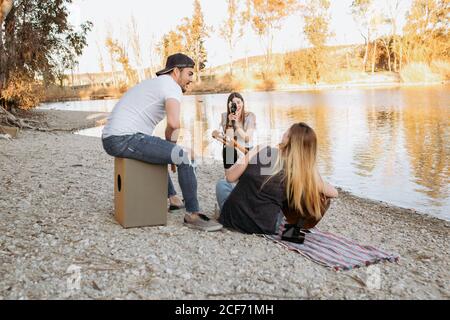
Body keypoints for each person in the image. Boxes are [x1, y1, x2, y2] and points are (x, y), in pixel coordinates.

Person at [102, 53, 222, 232]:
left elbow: (168, 132)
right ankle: (193, 214)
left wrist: (169, 149)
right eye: (189, 74)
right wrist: (174, 150)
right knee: (184, 156)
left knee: (160, 149)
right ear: (176, 72)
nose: (191, 79)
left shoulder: (156, 83)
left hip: (114, 137)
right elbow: (174, 123)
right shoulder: (171, 86)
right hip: (123, 138)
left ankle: (173, 198)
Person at [215, 122, 338, 235]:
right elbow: (333, 193)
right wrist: (310, 170)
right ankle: (294, 231)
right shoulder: (301, 172)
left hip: (231, 219)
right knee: (318, 197)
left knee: (222, 184)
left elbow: (230, 177)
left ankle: (225, 210)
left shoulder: (261, 148)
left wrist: (231, 152)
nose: (283, 134)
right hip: (265, 227)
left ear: (287, 138)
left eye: (286, 132)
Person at [219, 92, 256, 170]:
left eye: (238, 102)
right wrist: (230, 122)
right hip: (232, 148)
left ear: (243, 103)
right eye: (233, 103)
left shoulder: (250, 116)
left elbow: (247, 138)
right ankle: (229, 173)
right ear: (229, 105)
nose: (236, 105)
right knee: (228, 149)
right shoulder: (225, 116)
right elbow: (229, 139)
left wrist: (236, 123)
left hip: (246, 149)